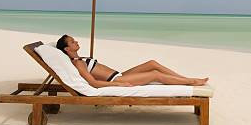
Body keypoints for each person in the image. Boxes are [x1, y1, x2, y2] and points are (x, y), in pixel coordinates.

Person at [56, 35, 209, 88]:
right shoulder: (77, 63)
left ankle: (183, 79)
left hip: (119, 73)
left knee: (152, 63)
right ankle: (190, 82)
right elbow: (93, 83)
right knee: (155, 74)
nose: (76, 42)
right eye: (72, 42)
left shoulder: (79, 59)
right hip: (117, 79)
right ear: (67, 50)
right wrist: (118, 84)